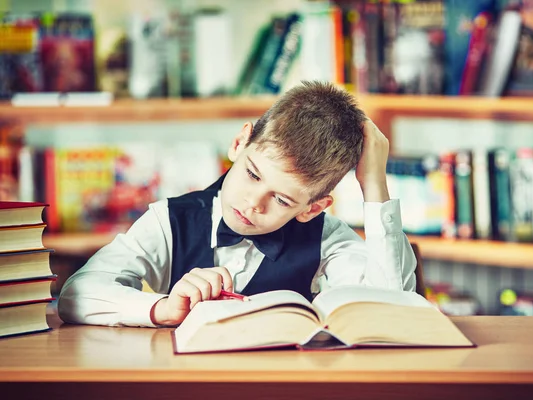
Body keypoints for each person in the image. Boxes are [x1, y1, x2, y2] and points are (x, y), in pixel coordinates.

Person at [58, 81, 416, 327]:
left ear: (312, 208)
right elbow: (77, 295)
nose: (252, 203)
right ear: (240, 143)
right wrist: (162, 308)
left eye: (281, 199)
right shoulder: (170, 220)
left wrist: (373, 184)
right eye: (253, 174)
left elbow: (393, 312)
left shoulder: (326, 236)